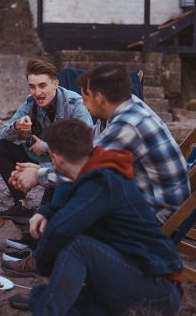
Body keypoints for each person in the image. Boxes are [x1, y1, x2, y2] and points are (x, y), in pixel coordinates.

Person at [0, 119, 182, 316]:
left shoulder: (103, 179)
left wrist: (44, 267)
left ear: (55, 158)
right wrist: (45, 211)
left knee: (76, 246)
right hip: (124, 308)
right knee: (41, 295)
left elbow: (61, 230)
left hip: (156, 298)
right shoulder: (88, 172)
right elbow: (66, 201)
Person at [10, 64, 190, 224]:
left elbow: (87, 167)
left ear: (100, 98)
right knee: (70, 191)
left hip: (158, 215)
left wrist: (38, 175)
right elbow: (88, 148)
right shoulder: (122, 109)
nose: (83, 104)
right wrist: (42, 166)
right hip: (142, 196)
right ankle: (44, 238)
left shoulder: (128, 124)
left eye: (85, 99)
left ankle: (46, 242)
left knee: (74, 193)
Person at [0, 59, 93, 221]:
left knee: (46, 213)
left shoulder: (74, 104)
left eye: (42, 86)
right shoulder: (31, 102)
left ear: (55, 84)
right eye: (32, 87)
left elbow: (86, 146)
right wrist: (17, 126)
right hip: (41, 158)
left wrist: (46, 146)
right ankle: (21, 204)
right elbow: (2, 134)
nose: (37, 92)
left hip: (65, 163)